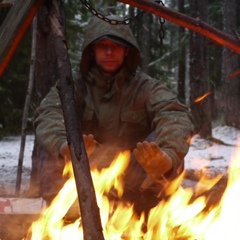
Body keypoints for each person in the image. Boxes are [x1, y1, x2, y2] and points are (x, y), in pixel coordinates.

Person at [34, 15, 193, 217]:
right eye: (102, 46)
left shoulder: (145, 87)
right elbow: (48, 114)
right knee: (49, 144)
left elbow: (175, 114)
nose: (109, 52)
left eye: (116, 46)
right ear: (92, 50)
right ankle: (65, 216)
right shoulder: (73, 85)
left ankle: (150, 216)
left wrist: (167, 156)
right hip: (82, 175)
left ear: (127, 50)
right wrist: (64, 146)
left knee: (160, 149)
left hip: (134, 181)